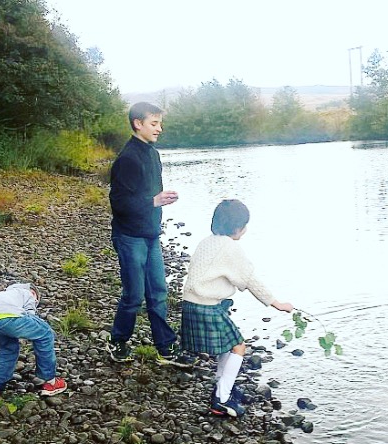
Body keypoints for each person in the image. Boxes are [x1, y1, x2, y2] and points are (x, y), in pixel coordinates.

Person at [181, 199, 294, 417]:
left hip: (191, 303)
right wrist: (276, 303)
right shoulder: (230, 247)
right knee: (239, 347)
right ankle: (221, 399)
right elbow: (250, 279)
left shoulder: (207, 242)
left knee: (228, 346)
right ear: (237, 228)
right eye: (244, 225)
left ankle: (222, 388)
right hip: (207, 306)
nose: (245, 230)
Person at [107, 101, 184, 365]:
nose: (159, 128)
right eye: (154, 123)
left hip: (150, 234)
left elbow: (151, 193)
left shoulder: (152, 153)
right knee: (134, 296)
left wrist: (160, 201)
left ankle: (166, 348)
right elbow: (118, 203)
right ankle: (117, 341)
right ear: (137, 124)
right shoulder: (127, 158)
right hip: (129, 236)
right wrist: (153, 201)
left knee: (159, 292)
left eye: (160, 123)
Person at [0, 283, 67, 400]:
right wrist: (30, 330)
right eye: (36, 299)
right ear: (32, 292)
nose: (35, 301)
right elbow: (30, 313)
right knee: (45, 333)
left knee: (8, 348)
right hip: (9, 316)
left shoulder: (0, 296)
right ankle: (51, 382)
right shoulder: (26, 293)